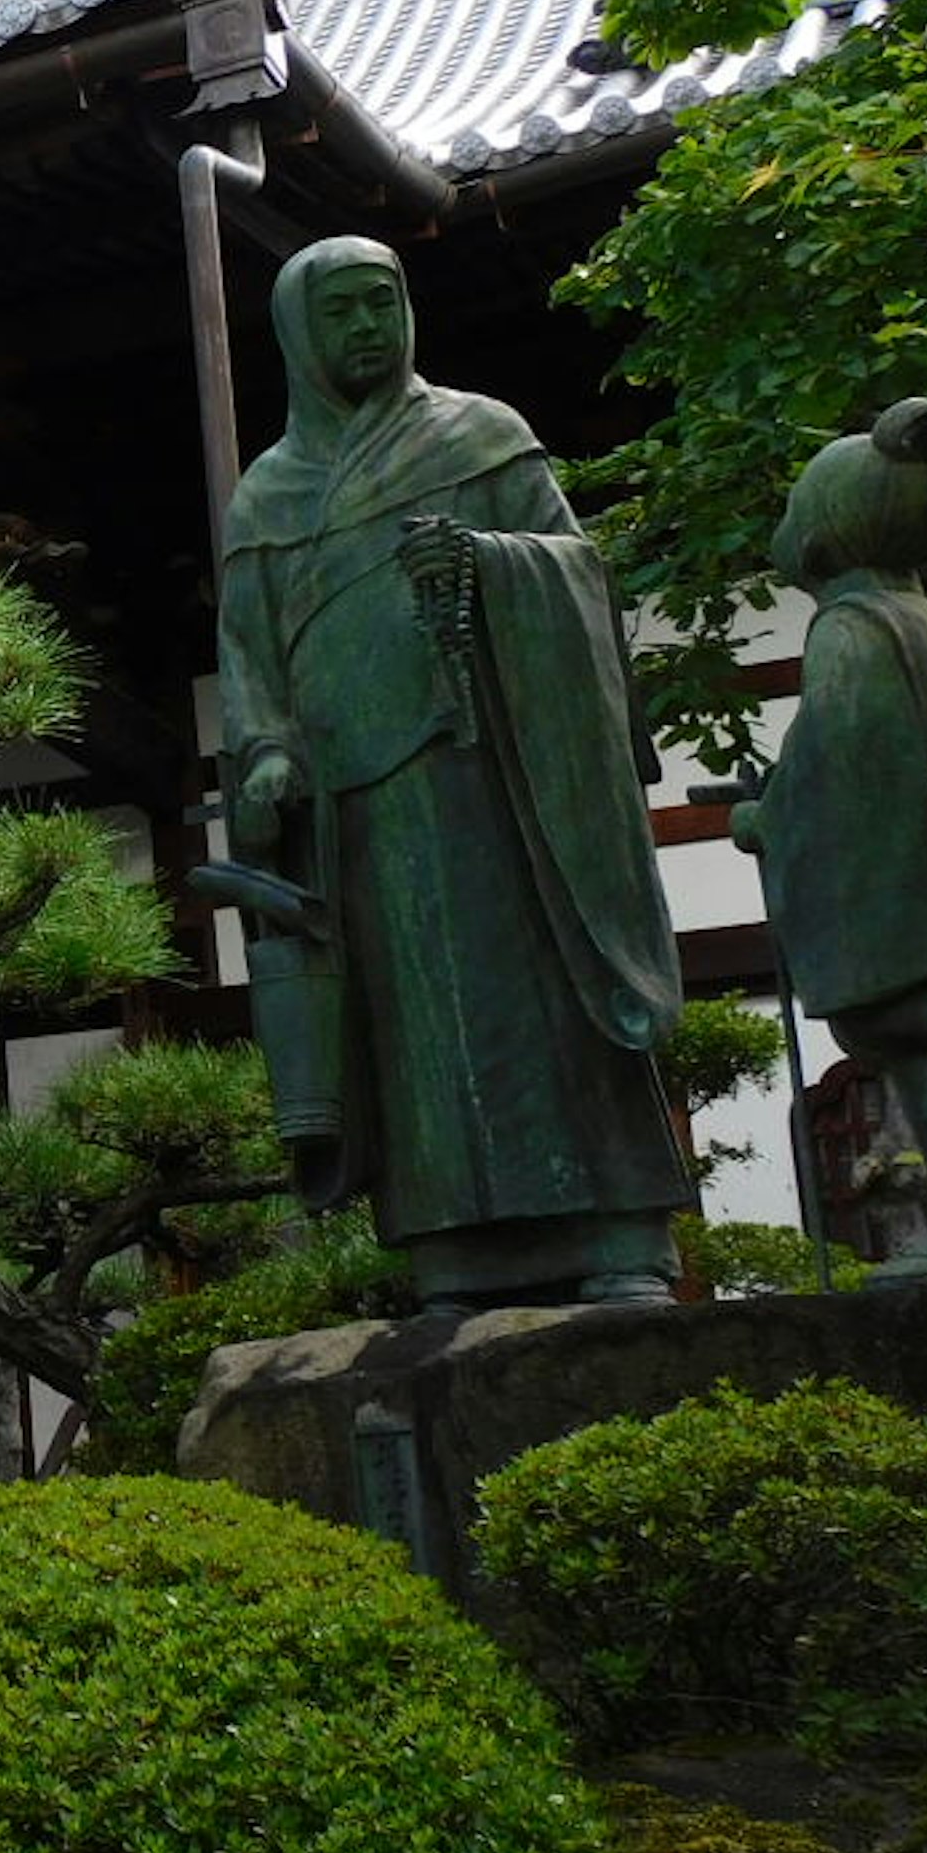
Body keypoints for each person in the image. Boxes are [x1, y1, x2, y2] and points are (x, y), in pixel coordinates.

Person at [216, 236, 691, 1305]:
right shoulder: (270, 498)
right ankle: (455, 1247)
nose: (367, 329)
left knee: (549, 994)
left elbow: (584, 581)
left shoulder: (482, 437)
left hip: (509, 784)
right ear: (298, 334)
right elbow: (250, 659)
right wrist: (270, 753)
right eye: (339, 313)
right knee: (414, 1032)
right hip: (367, 812)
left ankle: (619, 1236)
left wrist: (488, 565)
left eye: (382, 304)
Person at [730, 399, 927, 1276]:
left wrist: (769, 817)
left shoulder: (850, 631)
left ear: (826, 529)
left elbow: (849, 766)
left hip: (915, 866)